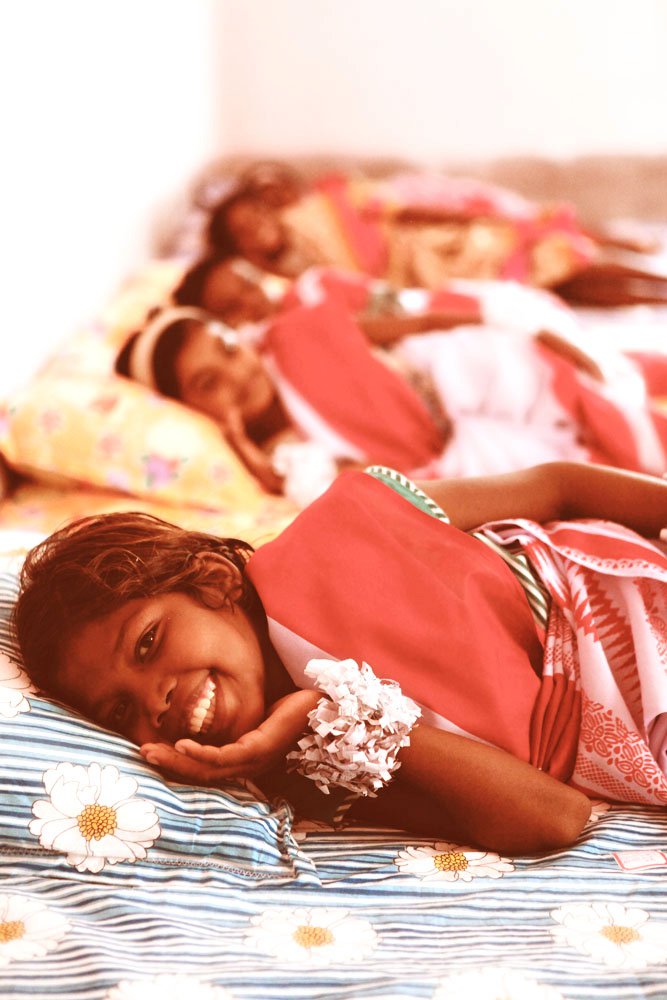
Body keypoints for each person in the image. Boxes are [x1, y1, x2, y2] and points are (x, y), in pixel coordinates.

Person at [13, 461, 667, 855]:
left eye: (149, 642)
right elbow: (554, 816)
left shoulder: (350, 522)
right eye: (119, 707)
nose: (154, 699)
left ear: (215, 582)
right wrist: (333, 717)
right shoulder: (314, 769)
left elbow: (553, 486)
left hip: (616, 585)